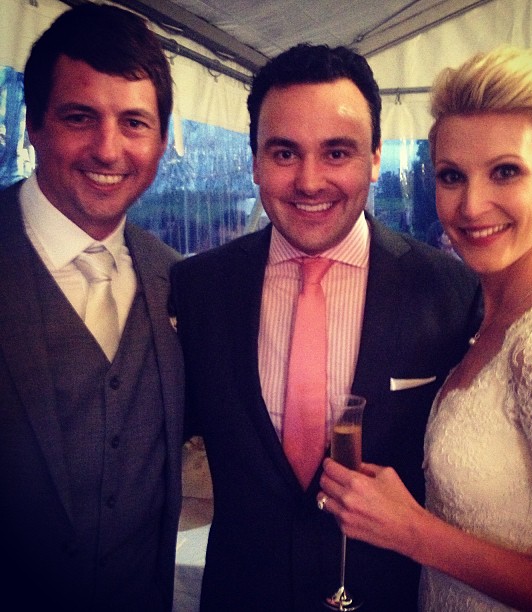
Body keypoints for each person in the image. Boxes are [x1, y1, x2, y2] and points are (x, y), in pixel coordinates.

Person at [171, 43, 482, 611]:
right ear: (255, 160)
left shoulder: (450, 291)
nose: (309, 181)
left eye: (337, 152)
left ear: (375, 158)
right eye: (284, 153)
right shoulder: (198, 289)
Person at [319, 45, 532, 611]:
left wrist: (413, 531)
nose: (472, 206)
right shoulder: (491, 311)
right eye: (452, 176)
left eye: (506, 171)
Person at [0, 5, 184, 611]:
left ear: (160, 141)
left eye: (134, 123)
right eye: (80, 117)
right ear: (33, 125)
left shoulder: (175, 280)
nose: (108, 149)